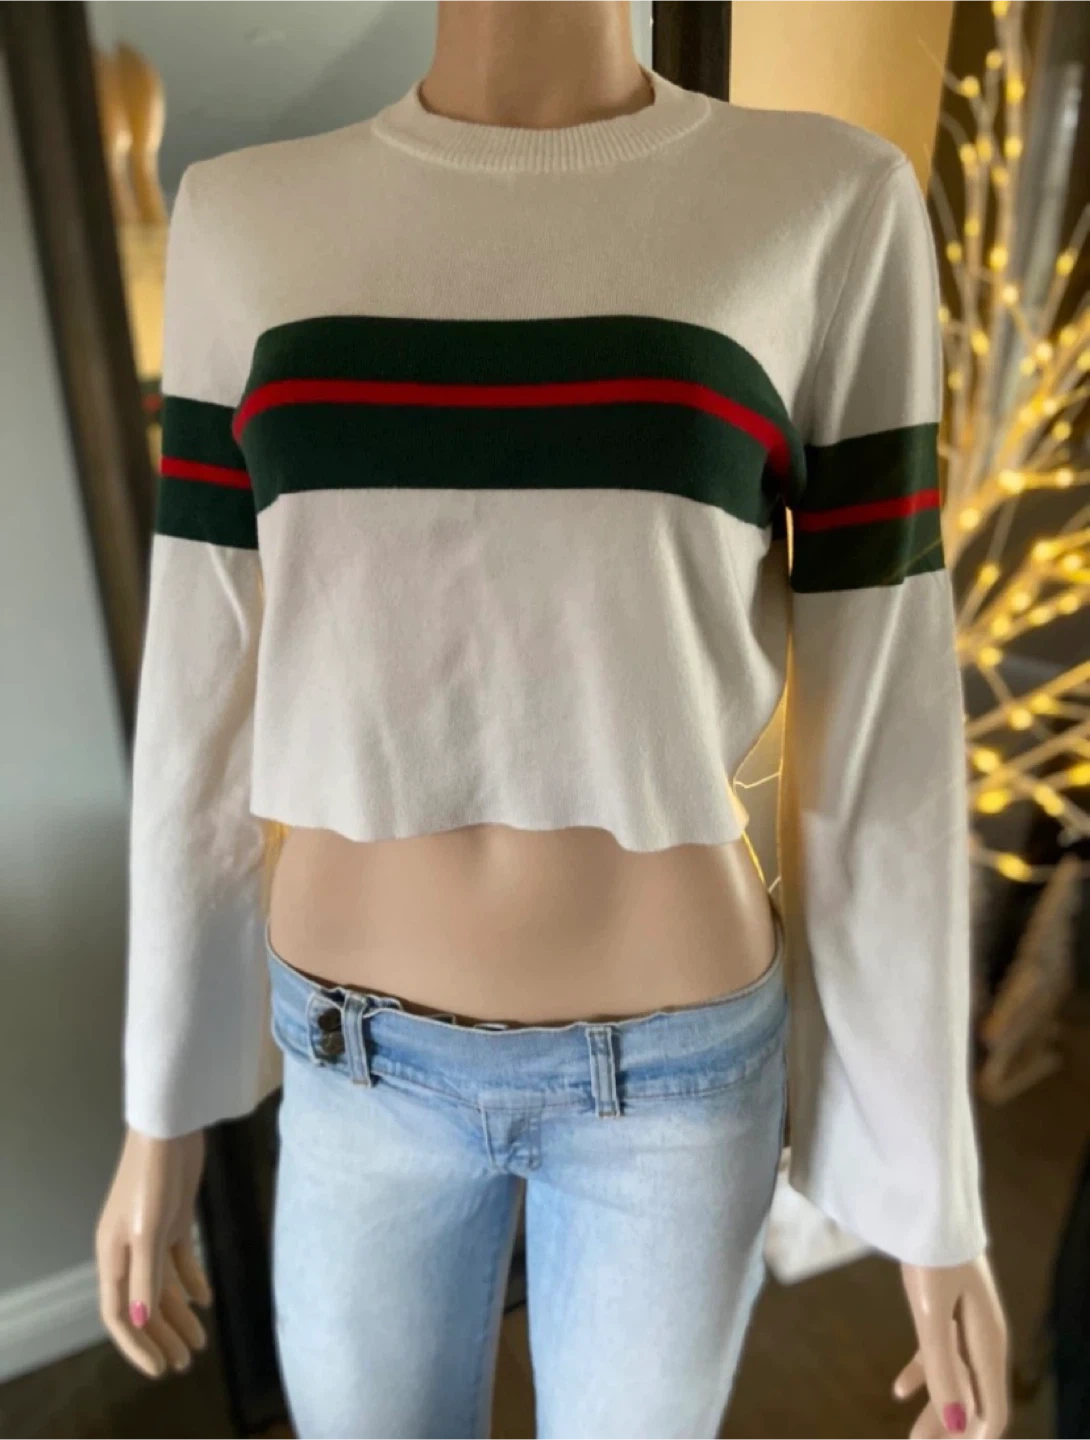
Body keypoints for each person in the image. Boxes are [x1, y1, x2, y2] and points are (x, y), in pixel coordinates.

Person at [95, 2, 1012, 1436]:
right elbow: (199, 701)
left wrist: (930, 1189)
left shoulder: (828, 204)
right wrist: (160, 1105)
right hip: (351, 1065)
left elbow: (883, 728)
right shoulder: (242, 220)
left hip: (672, 1084)